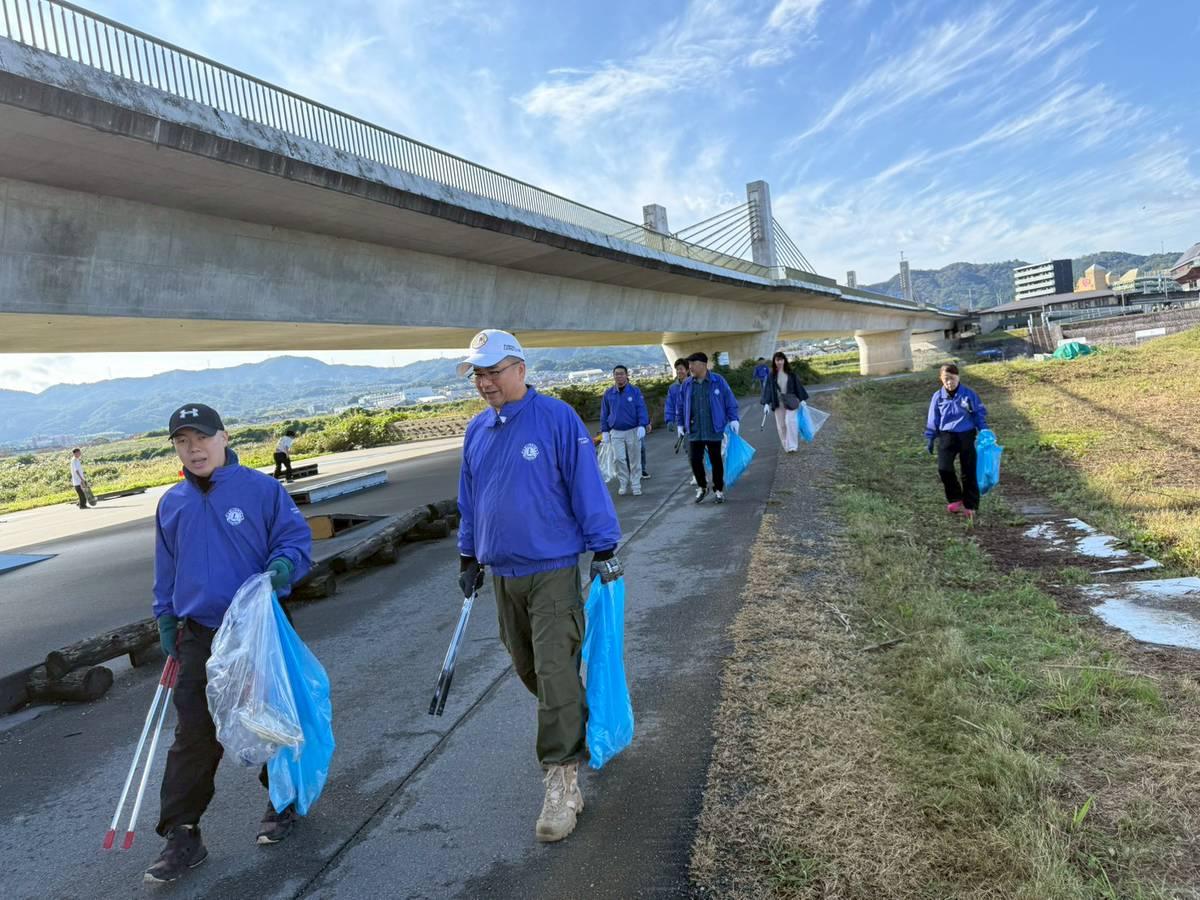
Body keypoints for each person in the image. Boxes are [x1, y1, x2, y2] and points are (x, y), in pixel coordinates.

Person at [456, 329, 622, 843]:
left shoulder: (555, 419)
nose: (485, 383)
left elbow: (585, 483)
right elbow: (470, 498)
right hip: (504, 576)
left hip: (552, 570)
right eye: (478, 374)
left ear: (521, 369)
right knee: (532, 670)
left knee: (553, 670)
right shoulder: (476, 432)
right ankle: (573, 720)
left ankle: (561, 781)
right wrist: (468, 553)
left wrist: (605, 547)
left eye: (493, 372)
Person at [146, 403, 312, 884]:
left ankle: (283, 801)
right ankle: (182, 833)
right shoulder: (172, 502)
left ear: (224, 438)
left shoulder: (261, 490)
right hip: (199, 634)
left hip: (257, 627)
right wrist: (165, 617)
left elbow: (294, 542)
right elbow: (166, 569)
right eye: (182, 441)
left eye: (201, 438)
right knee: (194, 735)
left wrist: (283, 567)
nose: (193, 448)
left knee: (268, 719)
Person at [923, 364, 988, 521]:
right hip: (947, 435)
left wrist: (984, 430)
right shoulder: (937, 397)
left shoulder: (968, 394)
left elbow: (979, 414)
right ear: (941, 379)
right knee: (944, 468)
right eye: (946, 379)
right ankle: (955, 498)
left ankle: (970, 505)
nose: (949, 383)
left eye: (952, 379)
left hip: (966, 434)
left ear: (958, 377)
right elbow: (933, 419)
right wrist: (930, 437)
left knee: (968, 471)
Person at [679, 352, 740, 504]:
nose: (690, 367)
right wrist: (680, 423)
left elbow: (729, 400)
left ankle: (718, 490)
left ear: (703, 365)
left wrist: (734, 419)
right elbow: (680, 406)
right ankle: (702, 486)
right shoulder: (687, 384)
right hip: (695, 429)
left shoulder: (718, 381)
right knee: (694, 459)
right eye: (690, 364)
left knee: (716, 460)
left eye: (693, 364)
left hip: (714, 427)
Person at [600, 365, 650, 497]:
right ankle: (623, 482)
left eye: (621, 374)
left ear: (627, 375)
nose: (619, 376)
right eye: (616, 374)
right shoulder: (609, 393)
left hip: (633, 430)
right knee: (619, 459)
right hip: (616, 431)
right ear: (613, 376)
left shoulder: (634, 391)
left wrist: (642, 425)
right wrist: (604, 431)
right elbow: (604, 413)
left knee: (635, 459)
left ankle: (635, 484)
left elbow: (641, 408)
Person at [760, 351, 808, 453]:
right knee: (781, 426)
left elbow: (798, 386)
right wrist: (766, 404)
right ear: (774, 361)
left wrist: (802, 399)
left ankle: (793, 446)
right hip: (778, 403)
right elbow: (768, 390)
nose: (779, 362)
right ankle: (787, 446)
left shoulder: (791, 374)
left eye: (781, 359)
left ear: (784, 360)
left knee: (790, 422)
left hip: (791, 401)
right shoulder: (771, 375)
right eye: (777, 360)